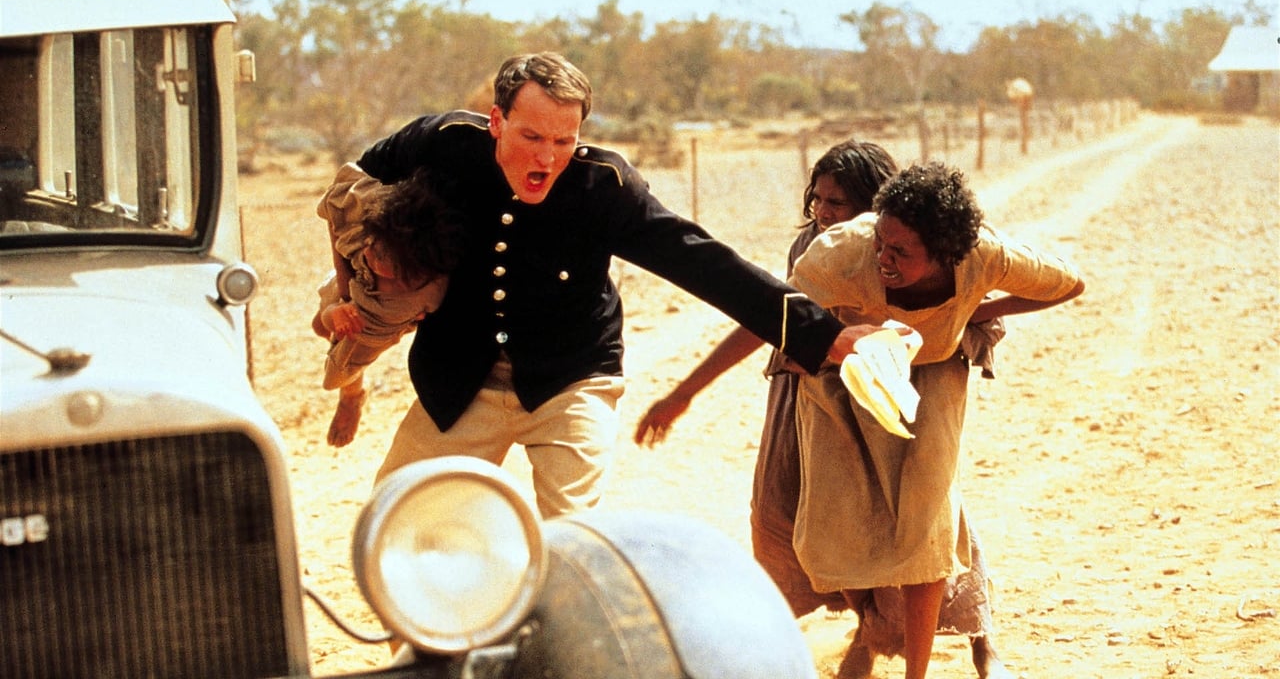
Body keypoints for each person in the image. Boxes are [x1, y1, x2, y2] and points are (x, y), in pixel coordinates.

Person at [354, 51, 858, 518]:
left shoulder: (603, 188)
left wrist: (824, 336)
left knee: (572, 539)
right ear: (496, 121)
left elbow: (704, 263)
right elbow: (349, 189)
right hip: (459, 378)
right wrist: (353, 288)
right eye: (531, 138)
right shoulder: (441, 144)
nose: (547, 159)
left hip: (571, 380)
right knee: (395, 519)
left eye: (563, 141)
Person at [634, 140, 1012, 679]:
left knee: (923, 521)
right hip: (812, 394)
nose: (825, 214)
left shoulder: (912, 244)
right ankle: (868, 630)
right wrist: (686, 391)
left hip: (891, 396)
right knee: (792, 515)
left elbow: (980, 294)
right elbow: (766, 316)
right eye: (819, 201)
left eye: (839, 204)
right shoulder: (813, 248)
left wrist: (942, 323)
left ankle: (981, 642)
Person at [787, 161, 1085, 679]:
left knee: (927, 528)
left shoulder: (984, 256)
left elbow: (1068, 283)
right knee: (833, 526)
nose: (883, 258)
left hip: (936, 376)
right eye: (882, 243)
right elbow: (786, 312)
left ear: (946, 253)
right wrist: (831, 347)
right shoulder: (843, 254)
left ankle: (917, 673)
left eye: (901, 252)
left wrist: (978, 310)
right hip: (851, 376)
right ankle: (871, 629)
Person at [310, 163, 461, 448]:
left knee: (338, 342)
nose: (370, 252)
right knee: (320, 327)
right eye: (373, 245)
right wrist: (342, 300)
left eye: (380, 256)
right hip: (354, 278)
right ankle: (353, 390)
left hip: (379, 320)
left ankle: (352, 396)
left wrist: (338, 315)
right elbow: (339, 230)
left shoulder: (423, 290)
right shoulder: (370, 242)